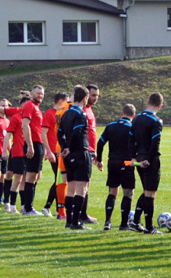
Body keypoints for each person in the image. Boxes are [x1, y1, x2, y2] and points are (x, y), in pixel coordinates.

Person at [96, 104, 137, 230]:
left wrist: (99, 160)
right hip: (126, 162)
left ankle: (107, 222)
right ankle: (124, 224)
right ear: (133, 116)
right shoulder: (132, 128)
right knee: (128, 193)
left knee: (112, 191)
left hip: (112, 162)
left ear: (121, 113)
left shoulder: (111, 126)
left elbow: (100, 143)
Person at [129, 93, 165, 234]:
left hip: (139, 158)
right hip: (150, 160)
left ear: (148, 101)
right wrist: (149, 160)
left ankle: (135, 222)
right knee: (150, 194)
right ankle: (149, 227)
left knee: (146, 192)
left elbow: (130, 140)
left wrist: (133, 157)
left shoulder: (136, 118)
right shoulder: (156, 121)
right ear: (160, 106)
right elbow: (155, 144)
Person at [58, 85, 92, 230]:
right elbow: (77, 132)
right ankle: (76, 222)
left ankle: (69, 221)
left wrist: (65, 147)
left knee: (70, 188)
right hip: (79, 153)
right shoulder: (80, 114)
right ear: (85, 98)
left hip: (69, 155)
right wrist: (70, 147)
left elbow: (59, 133)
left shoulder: (66, 113)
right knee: (81, 189)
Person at [40, 92, 68, 217]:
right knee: (59, 180)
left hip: (61, 152)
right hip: (54, 152)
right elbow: (43, 133)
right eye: (66, 101)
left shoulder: (62, 113)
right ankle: (48, 206)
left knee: (60, 180)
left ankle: (58, 209)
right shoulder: (49, 113)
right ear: (60, 101)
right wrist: (48, 151)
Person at [21, 85, 46, 216]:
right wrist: (30, 145)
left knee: (36, 176)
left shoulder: (37, 108)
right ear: (31, 94)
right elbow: (25, 126)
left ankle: (29, 206)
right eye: (37, 93)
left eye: (42, 94)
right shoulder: (29, 106)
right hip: (33, 144)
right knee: (30, 177)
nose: (40, 96)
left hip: (39, 144)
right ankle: (27, 208)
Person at [3, 95, 30, 214]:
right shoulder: (16, 118)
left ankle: (23, 206)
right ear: (21, 105)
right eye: (26, 104)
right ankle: (11, 204)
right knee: (16, 179)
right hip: (18, 151)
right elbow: (8, 135)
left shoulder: (31, 118)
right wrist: (4, 150)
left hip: (28, 153)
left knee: (24, 180)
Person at [81, 84, 100, 224]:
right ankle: (81, 215)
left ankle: (82, 214)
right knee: (83, 183)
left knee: (86, 182)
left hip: (91, 151)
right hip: (84, 151)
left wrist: (96, 152)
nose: (95, 98)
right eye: (93, 95)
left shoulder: (89, 110)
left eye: (97, 96)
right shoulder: (81, 110)